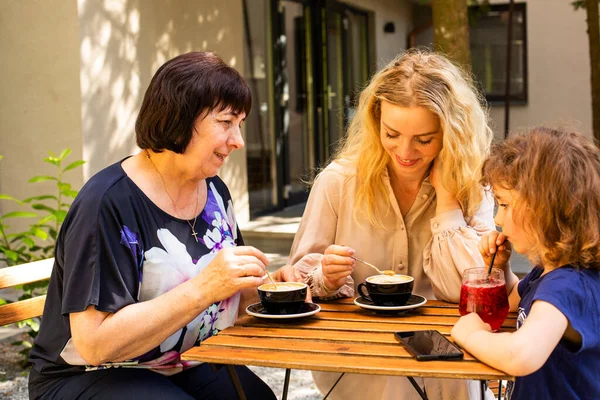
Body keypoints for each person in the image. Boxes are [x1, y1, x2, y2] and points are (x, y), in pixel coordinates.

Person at [28, 52, 277, 400]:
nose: (239, 141)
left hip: (178, 362)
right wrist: (203, 288)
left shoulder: (215, 192)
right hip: (88, 374)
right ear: (180, 118)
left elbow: (231, 294)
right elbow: (94, 345)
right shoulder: (108, 203)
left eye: (240, 124)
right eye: (225, 123)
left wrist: (291, 283)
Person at [276, 49, 496, 399]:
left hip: (445, 376)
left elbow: (470, 293)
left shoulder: (472, 187)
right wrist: (325, 277)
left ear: (452, 133)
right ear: (375, 118)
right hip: (358, 375)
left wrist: (448, 203)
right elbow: (295, 280)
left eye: (424, 140)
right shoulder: (338, 183)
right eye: (391, 134)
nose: (405, 152)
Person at [451, 126, 600, 399]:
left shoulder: (566, 287)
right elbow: (513, 301)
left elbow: (521, 355)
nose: (497, 219)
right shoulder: (550, 273)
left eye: (505, 205)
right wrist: (502, 268)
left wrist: (470, 336)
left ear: (551, 208)